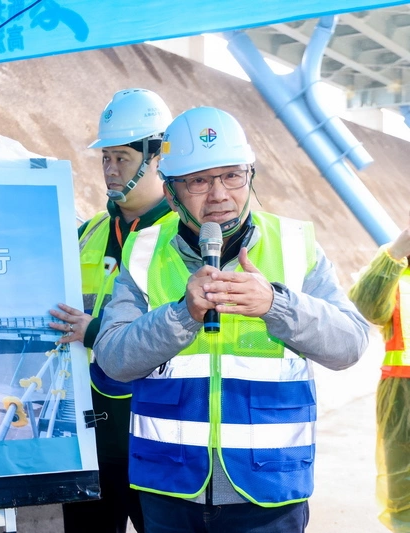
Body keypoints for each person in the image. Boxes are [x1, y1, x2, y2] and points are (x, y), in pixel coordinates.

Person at [93, 106, 369, 533]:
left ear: (250, 176)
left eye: (232, 176)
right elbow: (113, 358)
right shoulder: (144, 252)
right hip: (169, 491)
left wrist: (276, 304)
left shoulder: (295, 245)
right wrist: (181, 315)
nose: (219, 195)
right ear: (171, 193)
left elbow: (350, 344)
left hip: (270, 491)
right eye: (199, 181)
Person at [49, 88, 175, 533]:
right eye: (106, 157)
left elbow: (184, 328)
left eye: (122, 157)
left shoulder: (183, 238)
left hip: (159, 439)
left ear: (157, 156)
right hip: (90, 442)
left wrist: (95, 330)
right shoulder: (86, 234)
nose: (110, 169)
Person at [348, 218, 410, 532]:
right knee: (403, 484)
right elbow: (364, 307)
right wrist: (395, 253)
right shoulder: (395, 273)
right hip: (402, 395)